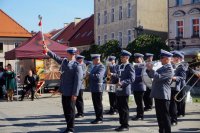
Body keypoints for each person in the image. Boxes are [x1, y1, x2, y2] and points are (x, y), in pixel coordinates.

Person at [43, 46, 83, 133]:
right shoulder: (64, 62)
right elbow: (55, 57)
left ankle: (71, 128)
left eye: (74, 54)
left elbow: (78, 82)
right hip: (64, 91)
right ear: (67, 54)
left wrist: (75, 94)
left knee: (71, 111)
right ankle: (68, 127)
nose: (72, 56)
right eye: (71, 54)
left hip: (71, 93)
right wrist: (48, 50)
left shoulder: (77, 66)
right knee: (66, 111)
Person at [146, 49, 174, 133]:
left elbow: (158, 77)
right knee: (159, 116)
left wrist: (151, 70)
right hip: (158, 94)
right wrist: (148, 69)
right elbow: (152, 75)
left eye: (162, 58)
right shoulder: (162, 67)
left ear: (166, 59)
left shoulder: (169, 69)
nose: (160, 59)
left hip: (163, 94)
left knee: (165, 116)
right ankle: (161, 131)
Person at [114, 50, 135, 132]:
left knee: (124, 108)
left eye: (122, 57)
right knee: (120, 108)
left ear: (127, 58)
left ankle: (125, 125)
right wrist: (113, 77)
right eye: (121, 57)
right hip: (119, 90)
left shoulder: (129, 66)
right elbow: (118, 76)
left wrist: (122, 82)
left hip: (125, 90)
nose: (121, 58)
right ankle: (122, 123)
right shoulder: (120, 66)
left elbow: (132, 78)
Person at [170, 51, 187, 126]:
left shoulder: (182, 66)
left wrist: (175, 78)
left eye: (173, 57)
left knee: (178, 101)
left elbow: (183, 77)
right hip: (172, 86)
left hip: (179, 86)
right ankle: (173, 118)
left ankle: (175, 119)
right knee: (172, 103)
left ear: (177, 58)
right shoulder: (171, 65)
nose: (172, 59)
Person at [88, 54, 105, 124]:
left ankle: (100, 118)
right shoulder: (95, 67)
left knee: (98, 104)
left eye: (93, 60)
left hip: (98, 88)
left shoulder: (101, 66)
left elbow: (98, 76)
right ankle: (97, 117)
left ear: (97, 59)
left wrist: (90, 74)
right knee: (95, 104)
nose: (93, 61)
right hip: (94, 88)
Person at [132, 53, 146, 120]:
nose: (137, 60)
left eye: (138, 58)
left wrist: (133, 78)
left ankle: (140, 115)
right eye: (136, 58)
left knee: (140, 102)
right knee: (137, 102)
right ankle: (138, 114)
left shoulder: (143, 66)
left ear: (141, 59)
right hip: (135, 86)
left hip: (141, 86)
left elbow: (142, 76)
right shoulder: (135, 66)